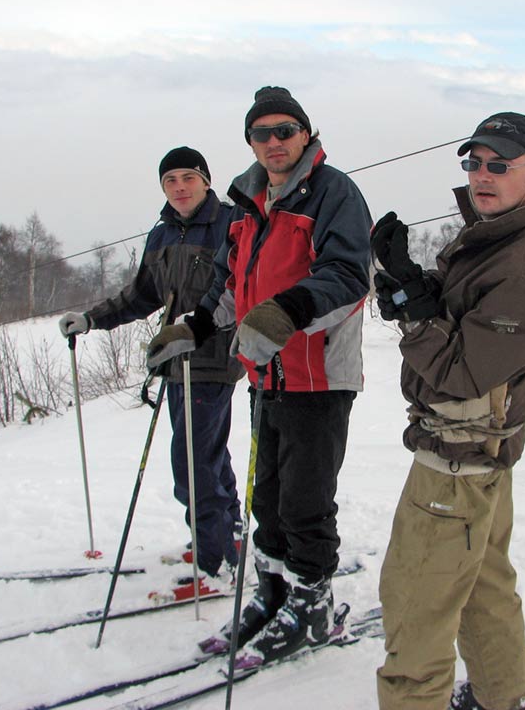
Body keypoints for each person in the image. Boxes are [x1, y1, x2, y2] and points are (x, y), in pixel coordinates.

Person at [146, 86, 372, 667]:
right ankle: (272, 594)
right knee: (266, 498)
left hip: (317, 375)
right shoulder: (247, 202)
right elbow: (230, 286)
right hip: (264, 374)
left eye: (284, 131)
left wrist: (285, 312)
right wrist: (195, 327)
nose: (273, 143)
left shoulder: (333, 193)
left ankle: (313, 603)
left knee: (304, 502)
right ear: (249, 141)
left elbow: (348, 276)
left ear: (306, 133)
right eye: (261, 133)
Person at [370, 112, 525, 710]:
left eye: (499, 165)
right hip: (482, 456)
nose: (482, 175)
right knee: (482, 581)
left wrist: (413, 312)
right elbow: (466, 317)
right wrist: (417, 284)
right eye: (474, 162)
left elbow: (461, 374)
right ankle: (506, 695)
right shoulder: (500, 232)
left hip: (456, 461)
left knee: (416, 607)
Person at [58, 146, 245, 596]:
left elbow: (239, 286)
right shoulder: (161, 236)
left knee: (192, 461)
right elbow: (142, 295)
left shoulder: (230, 223)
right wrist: (92, 319)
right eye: (170, 181)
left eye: (187, 177)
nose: (179, 187)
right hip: (173, 362)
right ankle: (229, 535)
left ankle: (213, 560)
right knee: (206, 453)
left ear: (205, 180)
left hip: (212, 357)